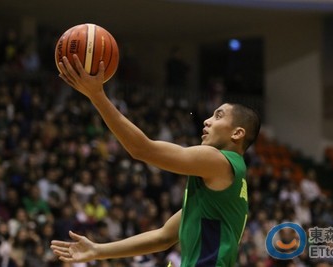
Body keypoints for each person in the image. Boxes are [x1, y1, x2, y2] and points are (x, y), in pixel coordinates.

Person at [50, 54, 260, 266]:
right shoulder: (220, 188)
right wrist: (97, 250)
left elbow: (142, 149)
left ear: (237, 133)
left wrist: (97, 96)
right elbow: (163, 237)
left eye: (218, 116)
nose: (206, 121)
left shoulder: (219, 161)